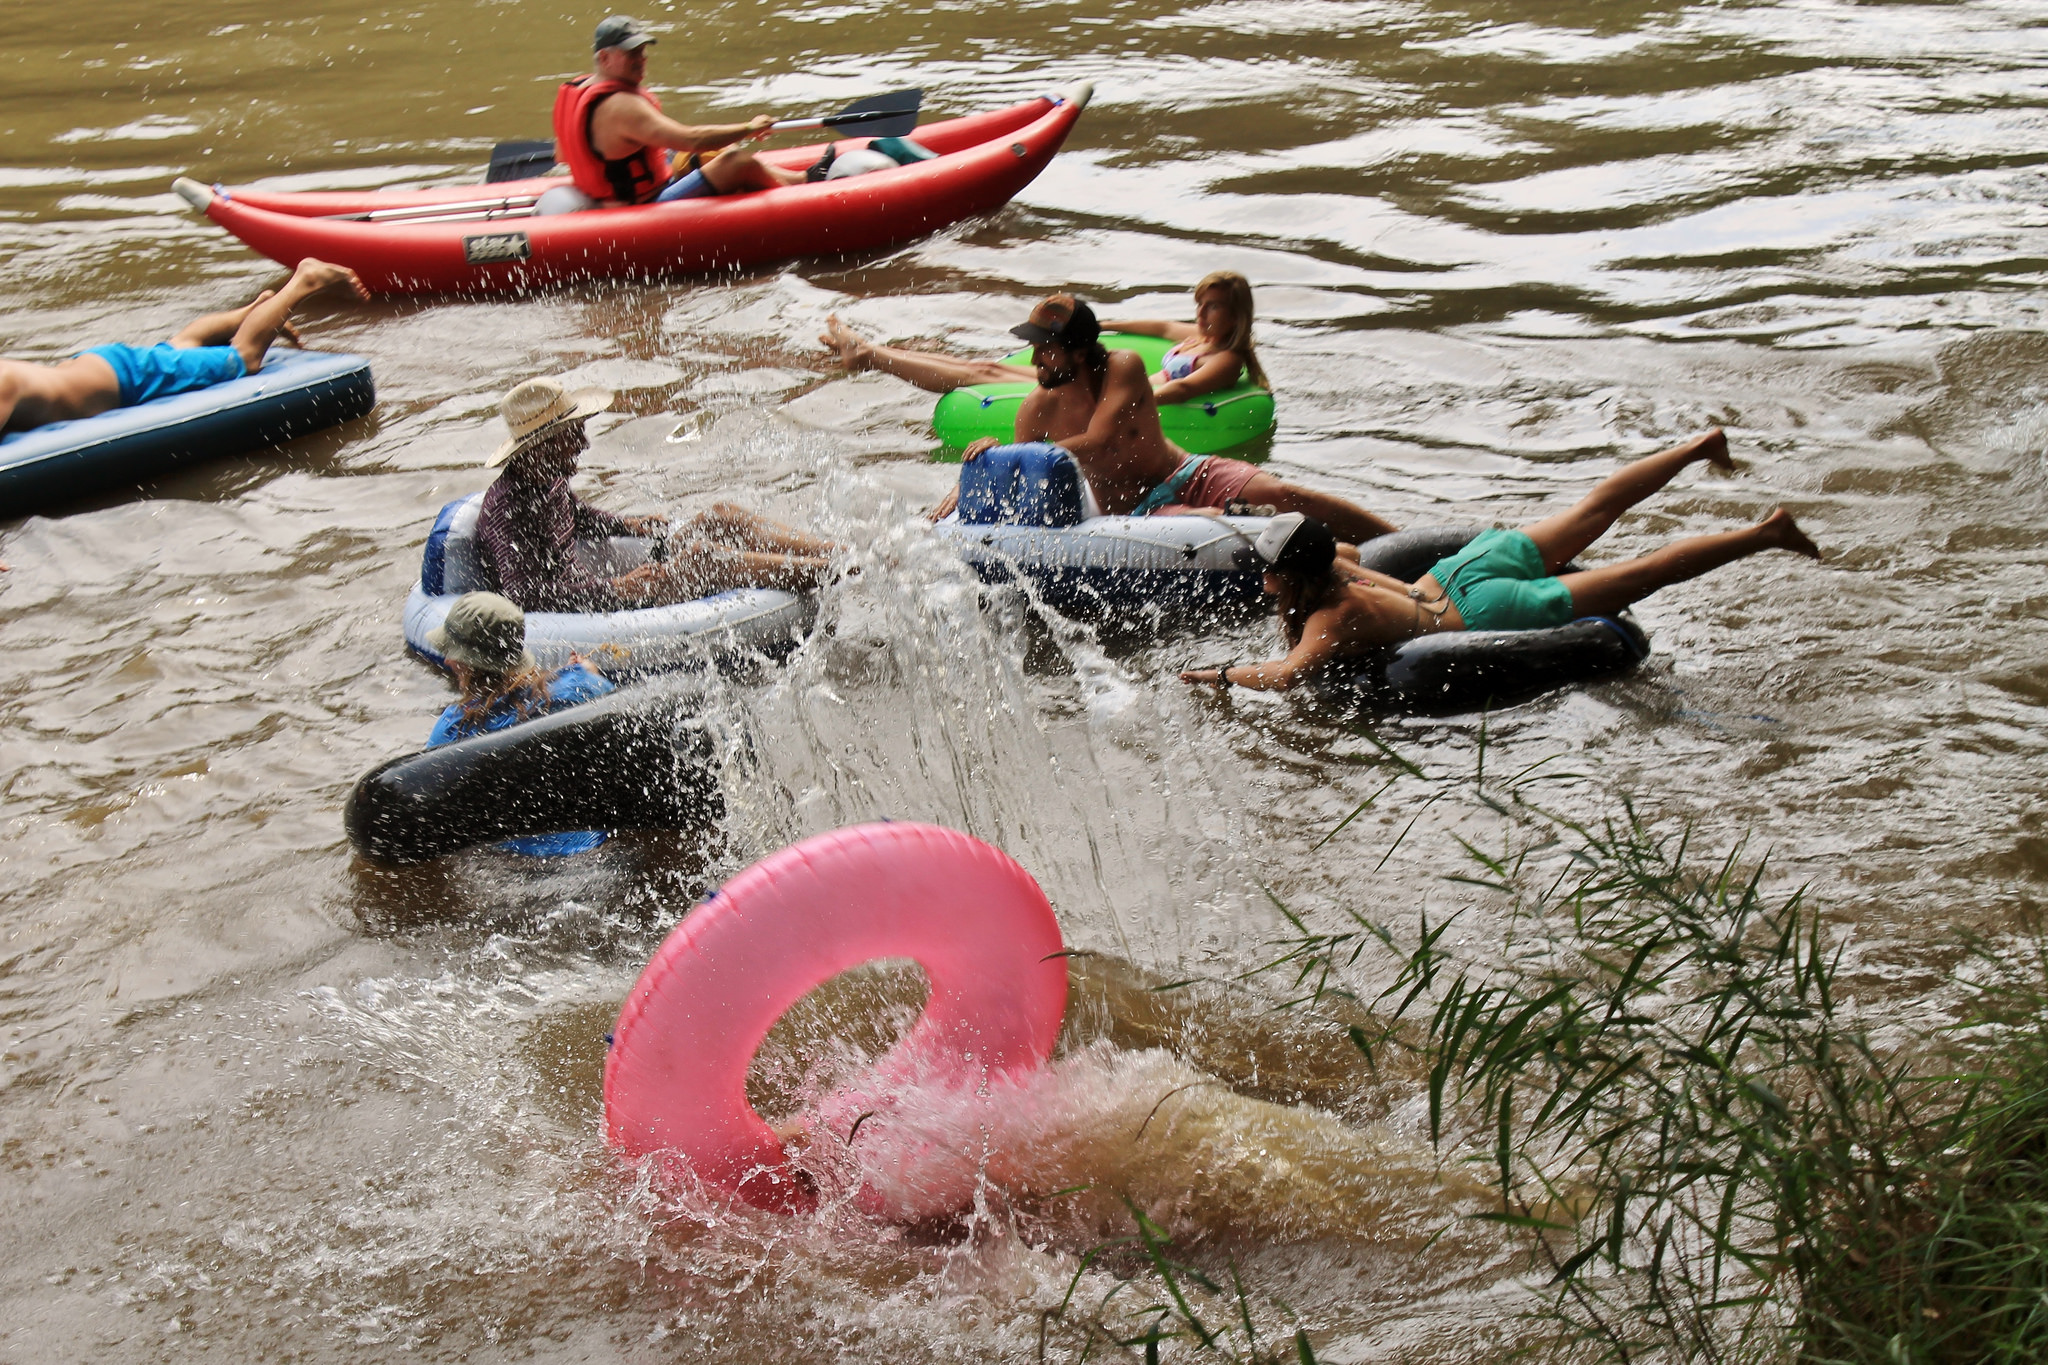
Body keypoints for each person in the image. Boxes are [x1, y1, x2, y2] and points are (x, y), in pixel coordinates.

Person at [1180, 430, 1822, 692]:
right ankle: (1694, 449)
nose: (1263, 579)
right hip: (1465, 568)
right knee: (1595, 508)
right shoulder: (1337, 562)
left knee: (1641, 575)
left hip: (1479, 603)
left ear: (1295, 575)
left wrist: (1220, 675)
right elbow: (1346, 549)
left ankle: (1765, 533)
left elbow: (1285, 674)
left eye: (1270, 569)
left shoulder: (1330, 617)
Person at [929, 294, 1397, 544]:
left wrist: (1014, 454)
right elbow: (1020, 471)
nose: (1036, 357)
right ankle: (1332, 556)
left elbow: (1100, 438)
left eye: (1045, 347)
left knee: (1284, 493)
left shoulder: (1123, 366)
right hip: (1136, 510)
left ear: (1077, 350)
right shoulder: (1037, 408)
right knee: (1218, 524)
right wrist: (973, 478)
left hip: (1186, 470)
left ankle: (1402, 543)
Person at [475, 376, 837, 613]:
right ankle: (834, 572)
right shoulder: (506, 509)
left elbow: (578, 516)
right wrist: (617, 589)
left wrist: (631, 526)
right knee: (704, 559)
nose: (584, 443)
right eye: (574, 434)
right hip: (594, 606)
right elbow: (525, 596)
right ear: (543, 444)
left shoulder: (545, 478)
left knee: (721, 516)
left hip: (603, 589)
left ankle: (837, 554)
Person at [0, 258, 369, 435]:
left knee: (244, 357)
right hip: (101, 370)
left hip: (122, 380)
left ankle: (305, 281)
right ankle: (254, 311)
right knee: (178, 349)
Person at [818, 270, 1268, 405]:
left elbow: (1180, 389)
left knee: (979, 375)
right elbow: (1159, 328)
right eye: (1200, 304)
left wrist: (1116, 402)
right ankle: (869, 351)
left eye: (1214, 307)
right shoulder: (1196, 337)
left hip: (1108, 393)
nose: (1202, 314)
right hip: (1108, 380)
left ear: (1236, 315)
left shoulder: (1227, 360)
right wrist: (1101, 327)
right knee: (983, 366)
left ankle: (872, 355)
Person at [425, 591, 614, 857]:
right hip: (592, 845)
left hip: (515, 861)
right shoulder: (581, 686)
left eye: (453, 653)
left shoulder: (454, 727)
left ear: (470, 662)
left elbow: (429, 801)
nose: (447, 660)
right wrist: (586, 673)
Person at [553, 15, 805, 207]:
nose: (641, 58)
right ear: (604, 58)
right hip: (643, 206)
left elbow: (561, 155)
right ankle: (798, 200)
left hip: (616, 197)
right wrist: (749, 129)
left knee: (707, 153)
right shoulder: (621, 105)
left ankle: (802, 179)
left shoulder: (577, 90)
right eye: (631, 53)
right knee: (736, 162)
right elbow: (691, 139)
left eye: (642, 51)